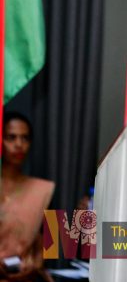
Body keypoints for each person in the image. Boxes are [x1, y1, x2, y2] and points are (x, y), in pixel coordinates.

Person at [0, 111, 54, 282]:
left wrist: (35, 264)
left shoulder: (45, 190)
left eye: (25, 138)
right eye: (11, 137)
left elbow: (52, 247)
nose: (19, 144)